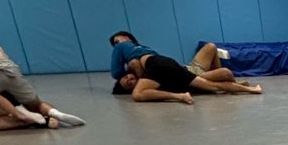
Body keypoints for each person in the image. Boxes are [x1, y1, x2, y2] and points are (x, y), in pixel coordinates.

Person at [109, 32, 260, 102]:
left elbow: (119, 70)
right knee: (214, 83)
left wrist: (124, 74)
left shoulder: (126, 50)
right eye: (128, 80)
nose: (128, 77)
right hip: (170, 67)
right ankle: (249, 89)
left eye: (128, 77)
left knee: (138, 94)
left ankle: (179, 97)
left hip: (167, 68)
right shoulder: (139, 49)